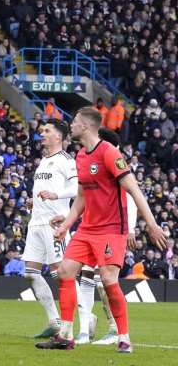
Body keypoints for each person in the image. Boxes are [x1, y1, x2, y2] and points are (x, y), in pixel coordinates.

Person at [37, 107, 167, 353]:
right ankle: (65, 336)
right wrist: (66, 225)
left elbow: (134, 189)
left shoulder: (109, 152)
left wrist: (150, 223)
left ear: (85, 126)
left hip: (110, 229)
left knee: (107, 280)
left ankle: (124, 338)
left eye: (74, 122)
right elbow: (81, 198)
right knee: (65, 272)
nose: (71, 125)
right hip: (87, 229)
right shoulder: (81, 156)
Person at [77, 127, 140, 345]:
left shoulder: (113, 158)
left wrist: (130, 227)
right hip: (91, 226)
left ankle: (115, 329)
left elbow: (130, 196)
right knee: (86, 274)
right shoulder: (91, 157)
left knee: (105, 280)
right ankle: (86, 326)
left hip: (111, 229)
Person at [21, 119, 78, 339]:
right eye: (42, 130)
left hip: (55, 224)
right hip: (36, 222)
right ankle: (54, 321)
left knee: (60, 274)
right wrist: (34, 201)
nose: (42, 134)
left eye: (47, 131)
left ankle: (83, 316)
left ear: (59, 136)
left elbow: (76, 189)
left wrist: (56, 196)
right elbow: (47, 189)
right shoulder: (44, 161)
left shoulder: (66, 160)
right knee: (30, 273)